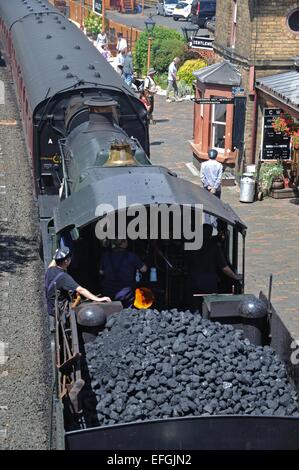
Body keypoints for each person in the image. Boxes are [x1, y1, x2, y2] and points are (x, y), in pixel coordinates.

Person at [186, 224, 242, 308]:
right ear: (210, 233)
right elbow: (224, 267)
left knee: (193, 308)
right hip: (209, 282)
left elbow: (187, 261)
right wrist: (235, 276)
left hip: (193, 281)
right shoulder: (214, 246)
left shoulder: (191, 245)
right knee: (209, 308)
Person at [45, 248, 111, 316]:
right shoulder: (64, 277)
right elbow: (80, 290)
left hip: (52, 308)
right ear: (66, 261)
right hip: (61, 311)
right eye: (69, 257)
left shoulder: (50, 270)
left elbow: (51, 264)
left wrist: (56, 256)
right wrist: (98, 299)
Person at [100, 239, 147, 305]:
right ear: (123, 243)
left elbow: (101, 272)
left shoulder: (106, 255)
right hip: (126, 294)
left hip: (108, 292)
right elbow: (144, 269)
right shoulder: (131, 255)